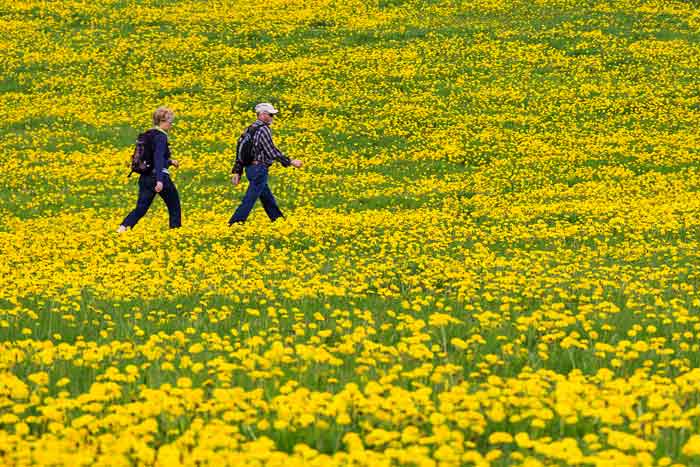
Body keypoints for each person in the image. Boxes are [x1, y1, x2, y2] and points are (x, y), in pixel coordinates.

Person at [229, 103, 302, 225]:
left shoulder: (249, 129)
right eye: (271, 115)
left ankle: (278, 220)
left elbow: (240, 150)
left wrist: (238, 171)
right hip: (259, 168)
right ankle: (235, 223)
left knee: (266, 197)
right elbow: (271, 150)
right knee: (250, 198)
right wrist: (290, 161)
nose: (273, 117)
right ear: (262, 115)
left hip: (250, 169)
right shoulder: (263, 129)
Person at [118, 106, 181, 232]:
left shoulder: (148, 134)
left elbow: (151, 158)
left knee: (141, 208)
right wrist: (159, 180)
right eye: (170, 122)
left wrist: (170, 161)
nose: (171, 125)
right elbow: (157, 158)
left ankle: (123, 228)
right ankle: (175, 233)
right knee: (174, 205)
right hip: (159, 176)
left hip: (145, 177)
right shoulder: (161, 136)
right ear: (162, 121)